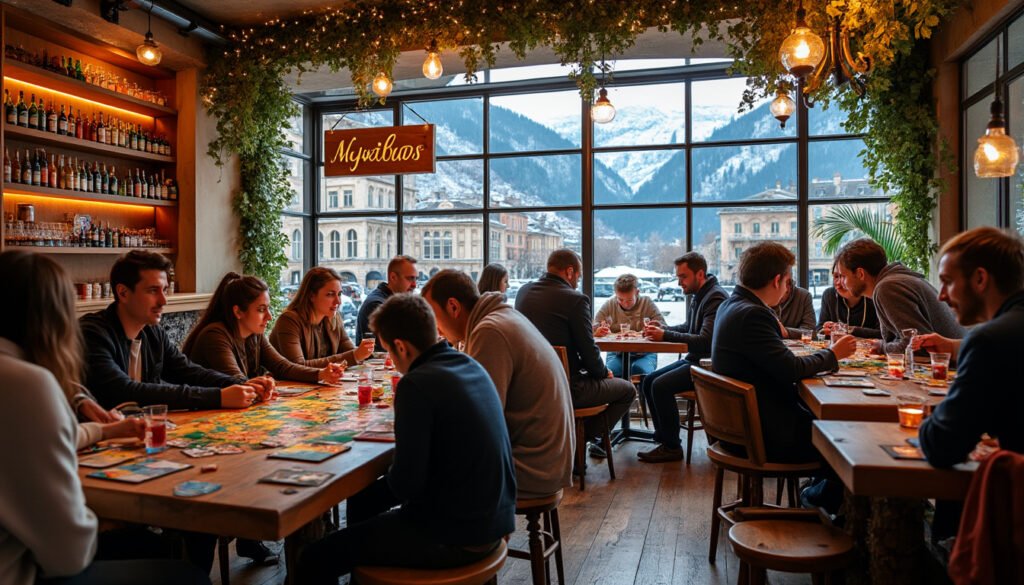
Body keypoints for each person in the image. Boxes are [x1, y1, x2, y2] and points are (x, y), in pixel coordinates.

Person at [0, 250, 209, 585]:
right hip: (24, 572)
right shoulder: (29, 383)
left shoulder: (28, 376)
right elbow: (69, 554)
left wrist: (104, 430)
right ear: (53, 316)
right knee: (187, 576)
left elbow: (53, 436)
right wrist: (99, 520)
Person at [298, 294, 516, 582]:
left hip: (455, 535)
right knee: (362, 501)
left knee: (312, 559)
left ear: (400, 346)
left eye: (389, 350)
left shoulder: (416, 384)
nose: (391, 357)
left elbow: (406, 484)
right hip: (496, 519)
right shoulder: (467, 364)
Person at [422, 269, 574, 497]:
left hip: (531, 467)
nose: (436, 328)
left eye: (434, 316)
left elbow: (481, 421)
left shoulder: (490, 331)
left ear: (453, 307)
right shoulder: (501, 316)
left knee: (424, 473)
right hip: (547, 457)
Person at [712, 242, 857, 463]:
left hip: (737, 426)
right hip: (765, 434)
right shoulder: (754, 315)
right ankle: (820, 496)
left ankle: (818, 492)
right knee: (847, 437)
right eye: (788, 281)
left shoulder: (730, 305)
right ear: (777, 280)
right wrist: (833, 354)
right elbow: (791, 369)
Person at [80, 251, 272, 411]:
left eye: (164, 290)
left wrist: (241, 385)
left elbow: (189, 372)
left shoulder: (152, 333)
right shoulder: (93, 333)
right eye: (153, 290)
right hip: (93, 446)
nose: (164, 301)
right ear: (123, 292)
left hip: (138, 435)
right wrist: (218, 397)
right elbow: (124, 391)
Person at [919, 227, 1024, 467]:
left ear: (980, 279)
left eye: (947, 281)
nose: (941, 296)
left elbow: (942, 444)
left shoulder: (989, 340)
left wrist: (928, 416)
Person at [515, 249, 635, 459]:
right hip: (568, 388)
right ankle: (579, 439)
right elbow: (589, 353)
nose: (578, 282)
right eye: (578, 277)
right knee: (627, 390)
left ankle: (566, 441)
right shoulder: (575, 300)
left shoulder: (523, 293)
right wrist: (602, 372)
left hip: (529, 388)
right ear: (570, 272)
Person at [637, 252, 727, 463]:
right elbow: (690, 328)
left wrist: (665, 335)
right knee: (649, 380)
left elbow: (705, 341)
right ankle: (664, 440)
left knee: (660, 386)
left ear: (700, 273)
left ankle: (671, 447)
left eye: (683, 277)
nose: (679, 283)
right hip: (695, 359)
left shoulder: (715, 297)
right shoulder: (702, 294)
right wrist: (664, 328)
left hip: (707, 364)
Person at [184, 273, 343, 385]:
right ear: (238, 311)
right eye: (261, 310)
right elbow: (236, 381)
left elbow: (282, 367)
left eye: (268, 308)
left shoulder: (254, 334)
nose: (269, 316)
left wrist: (321, 374)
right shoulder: (215, 335)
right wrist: (262, 385)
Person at [835, 238, 965, 354]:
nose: (841, 283)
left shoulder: (887, 288)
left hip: (951, 371)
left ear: (860, 274)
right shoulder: (895, 280)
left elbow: (917, 345)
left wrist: (883, 347)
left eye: (843, 276)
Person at [269, 267, 375, 368]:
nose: (338, 301)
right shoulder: (289, 321)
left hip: (321, 385)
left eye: (339, 294)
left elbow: (350, 351)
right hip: (284, 385)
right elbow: (297, 366)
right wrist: (355, 356)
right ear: (311, 296)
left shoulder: (333, 318)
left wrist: (371, 354)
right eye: (330, 294)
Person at [593, 273, 663, 379]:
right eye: (620, 299)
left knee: (641, 371)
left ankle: (642, 394)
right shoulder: (610, 304)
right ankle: (621, 395)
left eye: (629, 300)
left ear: (637, 292)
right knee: (610, 373)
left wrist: (656, 328)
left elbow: (663, 327)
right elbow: (593, 327)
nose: (625, 304)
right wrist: (597, 331)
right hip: (617, 353)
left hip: (645, 352)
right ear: (615, 294)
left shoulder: (646, 303)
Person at [355, 255, 418, 351]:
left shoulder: (396, 303)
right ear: (393, 277)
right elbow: (389, 350)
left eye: (415, 279)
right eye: (410, 278)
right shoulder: (377, 306)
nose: (414, 285)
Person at [817, 260, 881, 339]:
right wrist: (827, 329)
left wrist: (847, 329)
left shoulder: (873, 296)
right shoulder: (829, 295)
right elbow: (819, 330)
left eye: (843, 276)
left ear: (859, 275)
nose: (839, 282)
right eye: (836, 277)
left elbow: (883, 334)